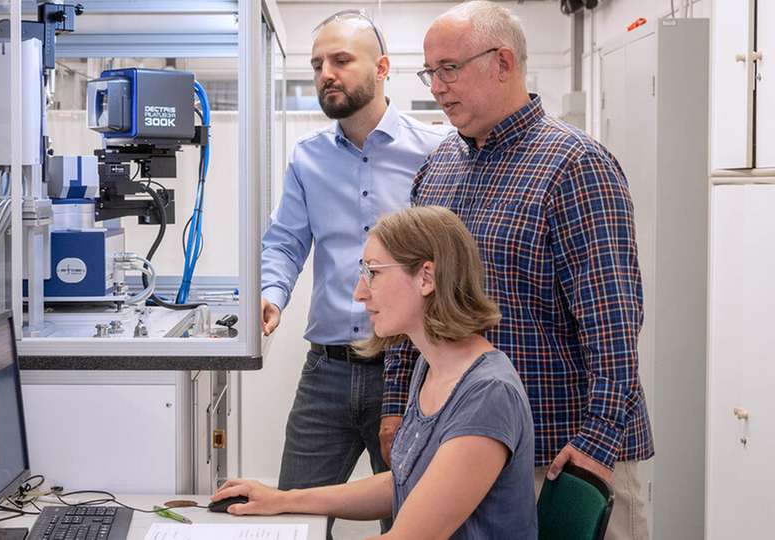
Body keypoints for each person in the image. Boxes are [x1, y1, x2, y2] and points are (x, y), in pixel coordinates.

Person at [383, 3, 654, 539]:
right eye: (429, 72)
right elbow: (416, 302)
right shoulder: (437, 170)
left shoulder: (576, 166)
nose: (436, 86)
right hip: (462, 453)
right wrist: (396, 405)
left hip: (559, 459)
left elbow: (614, 325)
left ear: (503, 62)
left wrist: (595, 449)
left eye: (449, 69)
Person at [218, 206, 537, 540]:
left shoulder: (487, 395)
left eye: (373, 272)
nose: (359, 292)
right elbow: (398, 482)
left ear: (426, 278)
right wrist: (283, 500)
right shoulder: (432, 367)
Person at [260, 9, 447, 537]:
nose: (326, 74)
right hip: (328, 373)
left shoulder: (435, 152)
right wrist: (269, 294)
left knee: (412, 519)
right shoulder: (307, 159)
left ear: (382, 67)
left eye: (341, 60)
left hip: (411, 370)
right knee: (290, 515)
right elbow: (286, 241)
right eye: (317, 64)